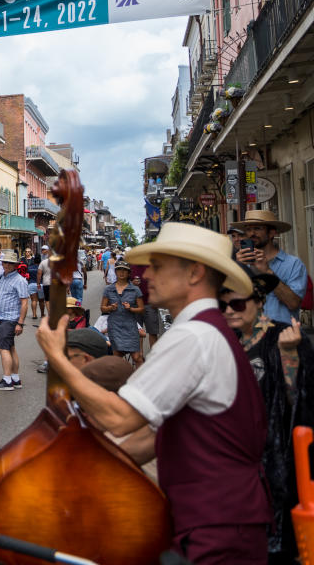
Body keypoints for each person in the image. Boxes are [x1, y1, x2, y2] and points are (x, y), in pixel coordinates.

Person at [36, 222, 269, 563]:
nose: (147, 275)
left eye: (158, 266)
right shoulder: (203, 330)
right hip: (218, 517)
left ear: (195, 273)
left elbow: (119, 419)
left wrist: (58, 358)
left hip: (216, 521)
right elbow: (152, 436)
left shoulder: (193, 336)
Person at [221, 261, 312, 562]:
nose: (230, 311)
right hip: (233, 459)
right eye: (223, 306)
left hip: (276, 461)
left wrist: (289, 356)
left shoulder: (285, 336)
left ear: (259, 301)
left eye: (237, 303)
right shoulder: (221, 343)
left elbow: (299, 403)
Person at [237, 209, 308, 326]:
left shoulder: (293, 264)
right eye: (248, 229)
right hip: (253, 336)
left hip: (284, 337)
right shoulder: (243, 263)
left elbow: (293, 303)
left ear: (271, 233)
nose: (251, 233)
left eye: (257, 228)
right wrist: (237, 268)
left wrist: (267, 272)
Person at [0, 251, 30, 391]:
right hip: (1, 317)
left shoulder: (19, 280)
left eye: (9, 263)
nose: (6, 265)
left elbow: (24, 303)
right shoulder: (3, 276)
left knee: (3, 348)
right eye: (4, 262)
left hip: (9, 318)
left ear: (15, 265)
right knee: (10, 347)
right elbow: (1, 293)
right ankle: (15, 378)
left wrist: (20, 323)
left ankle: (7, 381)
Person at [101, 260, 144, 364]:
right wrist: (110, 308)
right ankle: (120, 379)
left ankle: (139, 379)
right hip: (114, 326)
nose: (121, 272)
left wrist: (131, 309)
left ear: (129, 273)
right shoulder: (108, 289)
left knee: (137, 357)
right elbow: (102, 308)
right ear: (115, 272)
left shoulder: (135, 290)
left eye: (124, 270)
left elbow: (142, 309)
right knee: (117, 358)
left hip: (130, 326)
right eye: (119, 270)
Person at [21, 247, 41, 318]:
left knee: (35, 300)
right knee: (37, 300)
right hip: (27, 278)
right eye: (26, 251)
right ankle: (36, 314)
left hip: (31, 279)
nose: (27, 253)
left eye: (28, 251)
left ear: (31, 252)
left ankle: (36, 314)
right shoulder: (22, 259)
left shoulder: (33, 259)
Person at [35, 243, 51, 321]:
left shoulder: (43, 262)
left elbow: (39, 273)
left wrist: (38, 283)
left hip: (46, 283)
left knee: (47, 300)